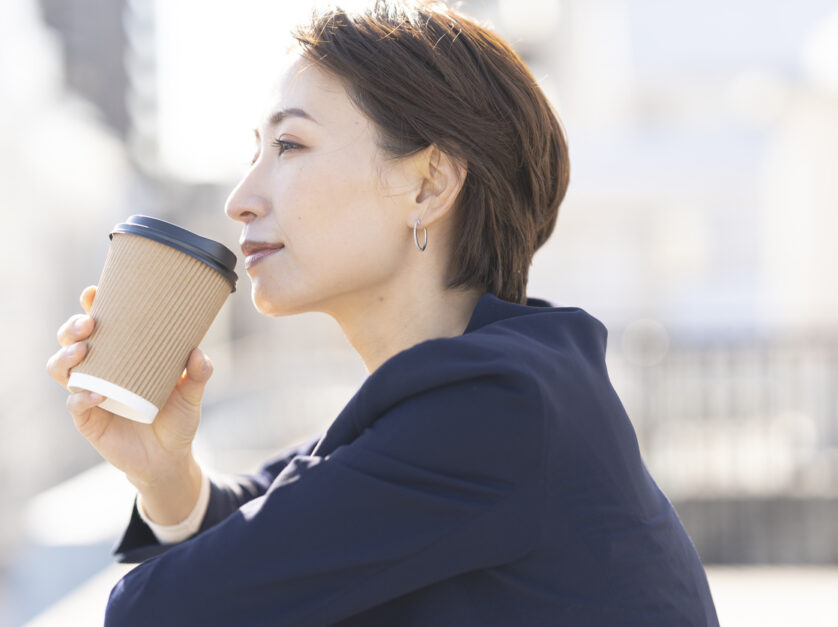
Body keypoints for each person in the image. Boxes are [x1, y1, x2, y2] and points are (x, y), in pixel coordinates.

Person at [46, 2, 719, 625]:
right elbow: (266, 517)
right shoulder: (479, 391)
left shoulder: (496, 408)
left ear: (427, 186)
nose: (241, 199)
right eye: (256, 152)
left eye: (289, 147)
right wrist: (165, 474)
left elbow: (163, 610)